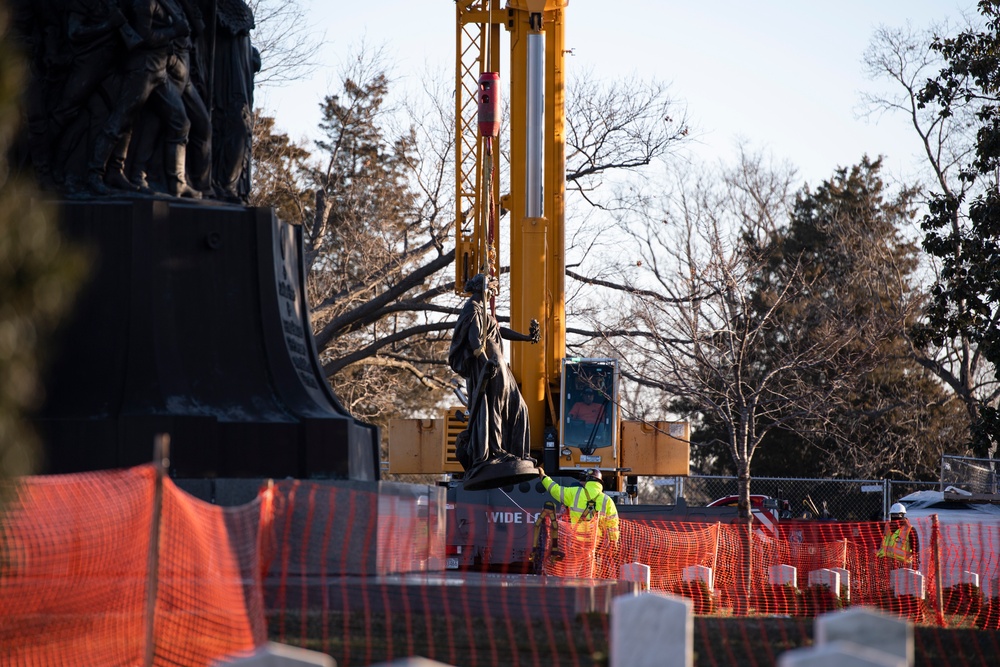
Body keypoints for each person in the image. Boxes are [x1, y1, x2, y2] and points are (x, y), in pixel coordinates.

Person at [448, 273, 539, 479]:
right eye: (491, 288)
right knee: (494, 409)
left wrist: (525, 337)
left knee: (519, 407)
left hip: (500, 364)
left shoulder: (482, 310)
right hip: (490, 365)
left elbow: (498, 330)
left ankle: (518, 452)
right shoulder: (472, 309)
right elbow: (474, 341)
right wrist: (484, 364)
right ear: (482, 288)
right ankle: (496, 451)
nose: (493, 292)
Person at [537, 467, 619, 577]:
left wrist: (543, 477)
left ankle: (571, 590)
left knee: (571, 572)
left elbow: (555, 489)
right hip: (594, 545)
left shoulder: (575, 492)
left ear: (588, 480)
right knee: (590, 573)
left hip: (576, 542)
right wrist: (614, 541)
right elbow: (613, 525)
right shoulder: (607, 500)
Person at [877, 502, 918, 569]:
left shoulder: (910, 530)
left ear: (902, 515)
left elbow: (916, 549)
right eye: (893, 515)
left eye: (897, 515)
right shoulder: (886, 527)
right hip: (884, 562)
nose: (895, 518)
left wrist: (915, 565)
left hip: (901, 565)